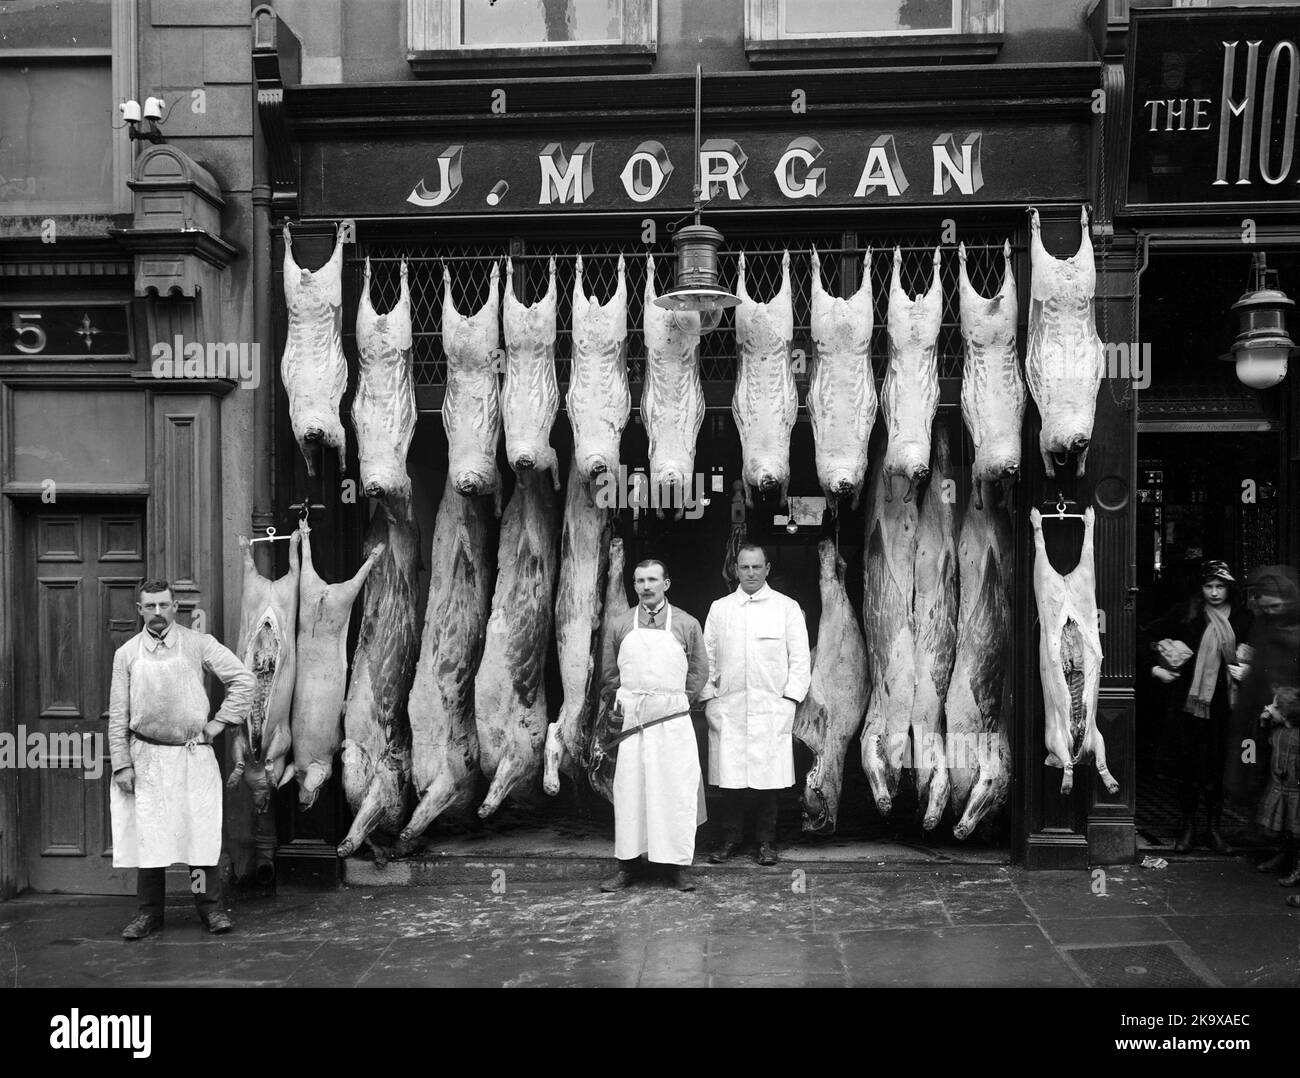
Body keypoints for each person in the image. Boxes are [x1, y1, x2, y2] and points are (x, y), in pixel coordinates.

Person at [109, 578, 255, 939]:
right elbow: (117, 715)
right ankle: (149, 913)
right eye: (150, 606)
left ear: (175, 607)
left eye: (163, 605)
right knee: (150, 838)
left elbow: (244, 680)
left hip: (193, 756)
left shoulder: (198, 644)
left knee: (200, 836)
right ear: (139, 610)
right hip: (146, 758)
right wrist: (122, 764)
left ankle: (209, 909)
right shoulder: (126, 654)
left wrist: (218, 724)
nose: (157, 613)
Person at [598, 558, 709, 893]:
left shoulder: (686, 624)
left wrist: (673, 700)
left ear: (666, 584)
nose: (646, 587)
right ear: (633, 585)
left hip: (672, 719)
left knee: (675, 792)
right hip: (633, 718)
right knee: (630, 792)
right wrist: (630, 701)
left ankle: (676, 867)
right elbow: (608, 675)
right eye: (639, 581)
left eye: (652, 580)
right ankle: (628, 867)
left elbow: (699, 671)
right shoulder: (619, 624)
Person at [700, 543, 811, 866]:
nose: (750, 573)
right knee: (730, 780)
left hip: (771, 707)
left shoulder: (786, 607)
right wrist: (708, 698)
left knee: (768, 780)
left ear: (767, 569)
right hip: (728, 706)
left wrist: (791, 698)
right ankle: (729, 840)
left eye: (756, 567)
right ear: (736, 569)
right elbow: (706, 657)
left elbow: (800, 658)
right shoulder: (720, 608)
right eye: (744, 567)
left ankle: (766, 842)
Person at [1142, 561, 1251, 853]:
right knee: (1189, 770)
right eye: (1209, 586)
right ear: (1200, 588)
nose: (1214, 592)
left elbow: (1258, 655)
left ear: (1230, 588)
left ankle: (1214, 830)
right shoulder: (1187, 614)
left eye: (1220, 586)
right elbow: (1144, 634)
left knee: (1217, 771)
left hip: (1223, 706)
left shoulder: (1243, 618)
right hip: (1188, 705)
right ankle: (1188, 828)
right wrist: (1155, 668)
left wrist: (1250, 670)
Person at [1235, 565, 1300, 889]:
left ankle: (1294, 858)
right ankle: (1283, 850)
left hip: (1292, 723)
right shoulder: (1266, 625)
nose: (1271, 612)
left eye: (1277, 606)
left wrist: (1285, 705)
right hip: (1271, 723)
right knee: (1279, 791)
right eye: (1267, 606)